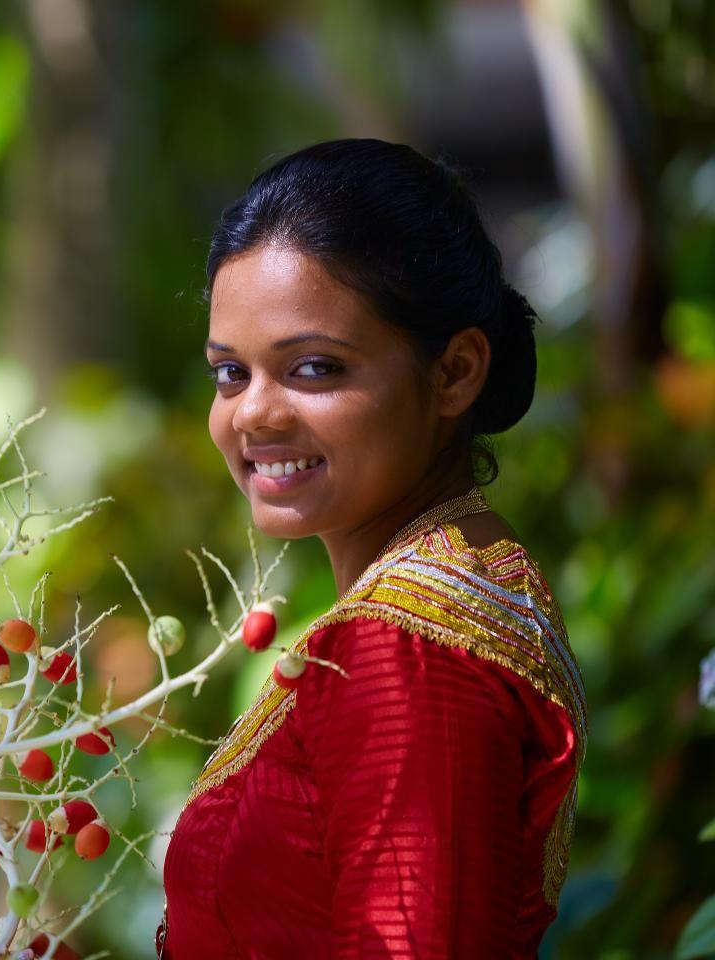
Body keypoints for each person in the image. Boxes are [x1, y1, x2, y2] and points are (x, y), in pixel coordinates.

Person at [157, 138, 588, 958]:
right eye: (229, 373)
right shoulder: (455, 583)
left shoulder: (404, 655)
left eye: (313, 368)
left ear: (455, 372)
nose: (253, 414)